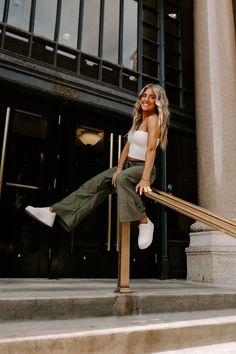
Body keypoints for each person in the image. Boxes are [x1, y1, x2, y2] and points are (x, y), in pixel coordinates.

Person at [25, 83, 170, 249]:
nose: (146, 99)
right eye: (144, 95)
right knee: (93, 186)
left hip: (144, 168)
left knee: (122, 179)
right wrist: (119, 168)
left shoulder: (153, 120)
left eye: (152, 97)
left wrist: (145, 179)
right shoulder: (138, 121)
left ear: (158, 101)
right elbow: (127, 148)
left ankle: (144, 222)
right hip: (128, 166)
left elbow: (151, 150)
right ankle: (52, 212)